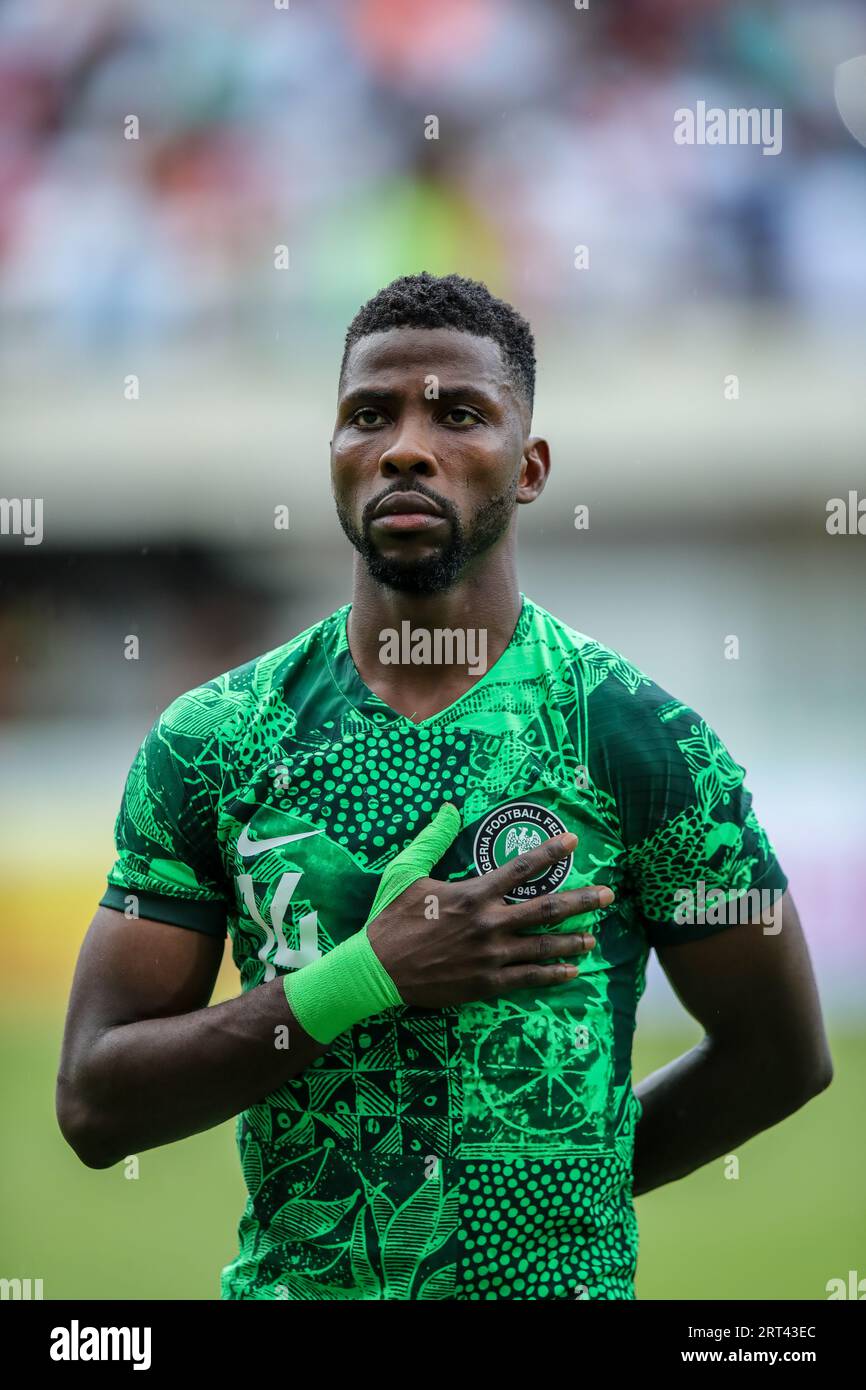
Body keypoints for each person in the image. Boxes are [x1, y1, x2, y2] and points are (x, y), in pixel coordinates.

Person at [56, 272, 832, 1301]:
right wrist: (363, 976)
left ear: (528, 467)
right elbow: (96, 1104)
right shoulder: (216, 741)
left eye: (457, 414)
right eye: (367, 416)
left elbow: (779, 1056)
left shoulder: (636, 739)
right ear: (334, 459)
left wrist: (564, 1191)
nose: (405, 446)